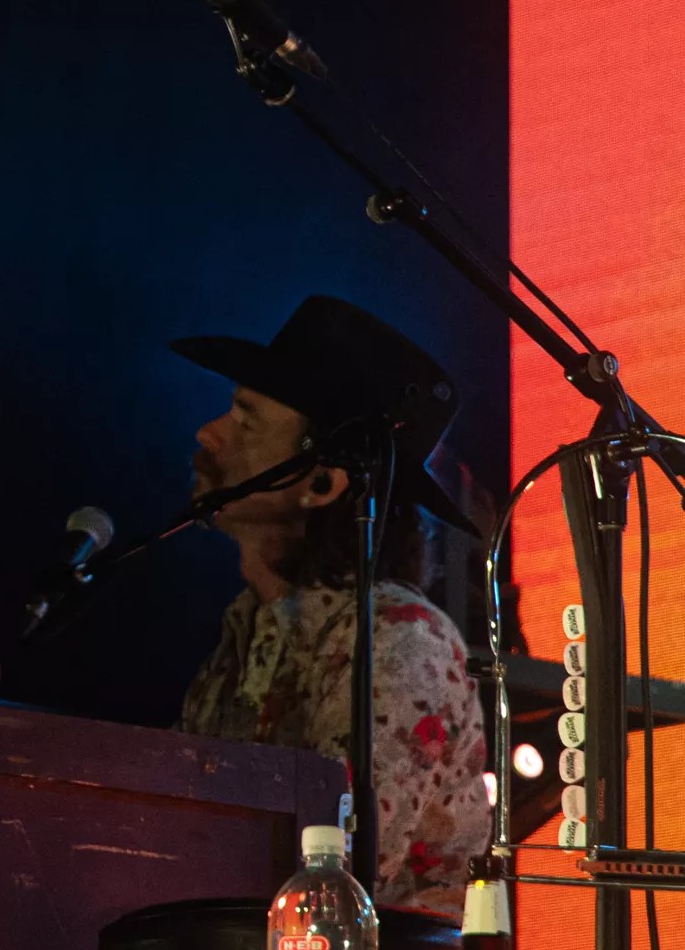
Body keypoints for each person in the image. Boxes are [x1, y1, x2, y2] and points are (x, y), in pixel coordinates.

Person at [173, 294, 492, 917]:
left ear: (322, 484)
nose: (208, 432)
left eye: (246, 419)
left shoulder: (398, 640)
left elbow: (336, 876)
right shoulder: (246, 630)